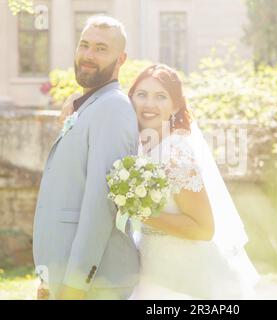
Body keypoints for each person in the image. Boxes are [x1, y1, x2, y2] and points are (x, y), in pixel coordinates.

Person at [128, 64, 260, 299]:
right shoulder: (142, 146)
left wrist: (140, 213)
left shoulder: (176, 153)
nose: (149, 104)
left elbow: (203, 229)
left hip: (186, 272)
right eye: (142, 95)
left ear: (176, 105)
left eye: (161, 96)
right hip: (151, 265)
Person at [32, 15, 140, 300]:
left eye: (101, 49)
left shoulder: (113, 107)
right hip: (62, 278)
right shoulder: (87, 106)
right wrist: (48, 280)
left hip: (94, 285)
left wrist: (77, 284)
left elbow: (99, 202)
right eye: (84, 45)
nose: (88, 55)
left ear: (121, 59)